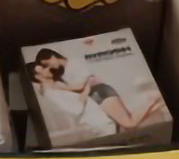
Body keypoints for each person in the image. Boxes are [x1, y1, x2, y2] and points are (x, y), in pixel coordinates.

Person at [31, 48, 163, 132]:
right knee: (127, 126)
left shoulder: (75, 63)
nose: (50, 67)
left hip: (100, 92)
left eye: (48, 64)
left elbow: (84, 84)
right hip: (94, 98)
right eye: (45, 66)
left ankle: (152, 100)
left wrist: (68, 87)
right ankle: (158, 103)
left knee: (129, 124)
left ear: (53, 57)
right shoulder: (61, 75)